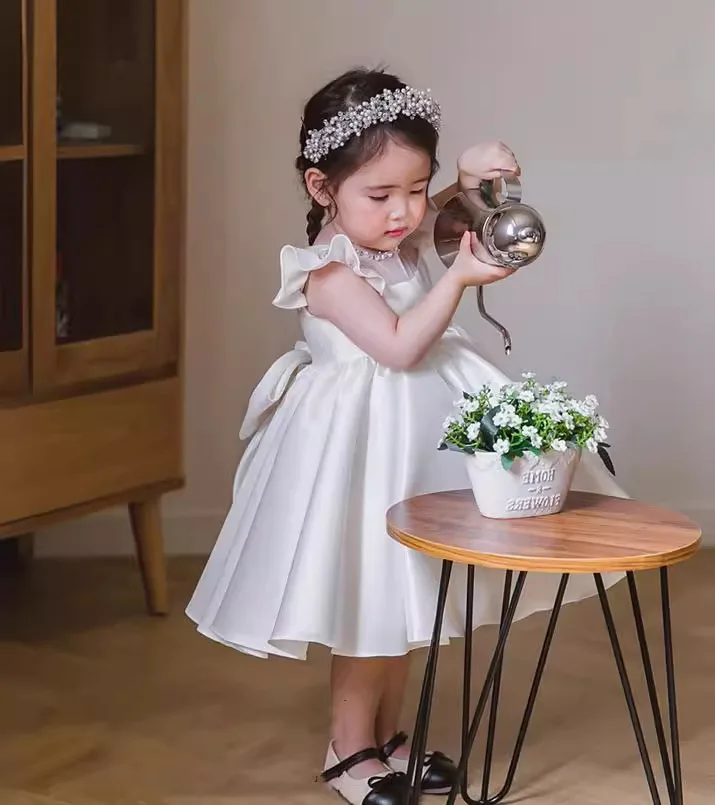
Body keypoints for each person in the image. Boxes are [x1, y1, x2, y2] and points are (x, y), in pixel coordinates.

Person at [186, 67, 628, 805]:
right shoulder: (326, 268)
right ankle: (348, 745)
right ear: (322, 187)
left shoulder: (396, 228)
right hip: (359, 445)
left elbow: (455, 218)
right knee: (368, 594)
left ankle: (389, 735)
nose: (403, 213)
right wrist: (455, 280)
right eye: (381, 195)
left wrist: (466, 178)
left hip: (413, 432)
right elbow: (395, 345)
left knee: (408, 591)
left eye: (415, 189)